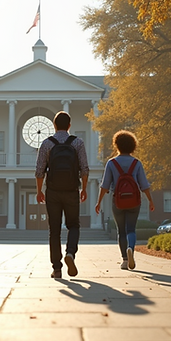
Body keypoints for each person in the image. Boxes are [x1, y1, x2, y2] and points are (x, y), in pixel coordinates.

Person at [35, 111, 89, 279]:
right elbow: (85, 169)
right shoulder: (77, 143)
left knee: (54, 230)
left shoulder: (47, 144)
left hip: (53, 192)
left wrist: (39, 191)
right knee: (74, 225)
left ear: (54, 125)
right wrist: (84, 189)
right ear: (69, 126)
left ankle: (57, 269)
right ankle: (71, 253)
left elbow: (39, 171)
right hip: (72, 190)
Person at [95, 130, 155, 270]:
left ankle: (124, 260)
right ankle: (131, 249)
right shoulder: (137, 163)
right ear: (133, 145)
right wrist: (151, 201)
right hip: (134, 201)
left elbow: (104, 185)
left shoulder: (111, 163)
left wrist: (98, 202)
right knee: (131, 229)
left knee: (120, 230)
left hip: (118, 201)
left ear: (116, 145)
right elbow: (144, 185)